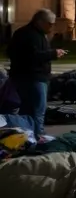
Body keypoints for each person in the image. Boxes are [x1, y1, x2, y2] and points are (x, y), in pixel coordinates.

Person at [4, 9, 66, 137]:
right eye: (50, 23)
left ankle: (26, 136)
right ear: (39, 21)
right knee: (37, 111)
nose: (51, 27)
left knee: (27, 111)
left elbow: (12, 52)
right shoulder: (30, 35)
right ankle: (38, 137)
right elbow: (32, 56)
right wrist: (53, 54)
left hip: (26, 77)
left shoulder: (28, 33)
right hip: (33, 78)